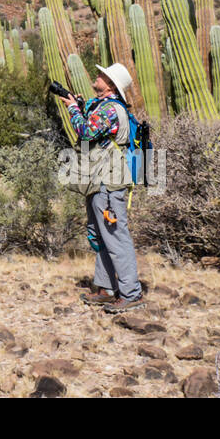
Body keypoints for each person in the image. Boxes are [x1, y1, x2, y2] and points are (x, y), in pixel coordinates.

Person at [52, 63, 144, 313]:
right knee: (100, 234)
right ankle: (105, 289)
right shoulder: (102, 106)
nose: (98, 76)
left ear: (111, 85)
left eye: (103, 75)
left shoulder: (112, 109)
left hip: (109, 182)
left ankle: (131, 293)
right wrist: (80, 105)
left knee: (116, 237)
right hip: (100, 180)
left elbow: (85, 130)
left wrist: (73, 110)